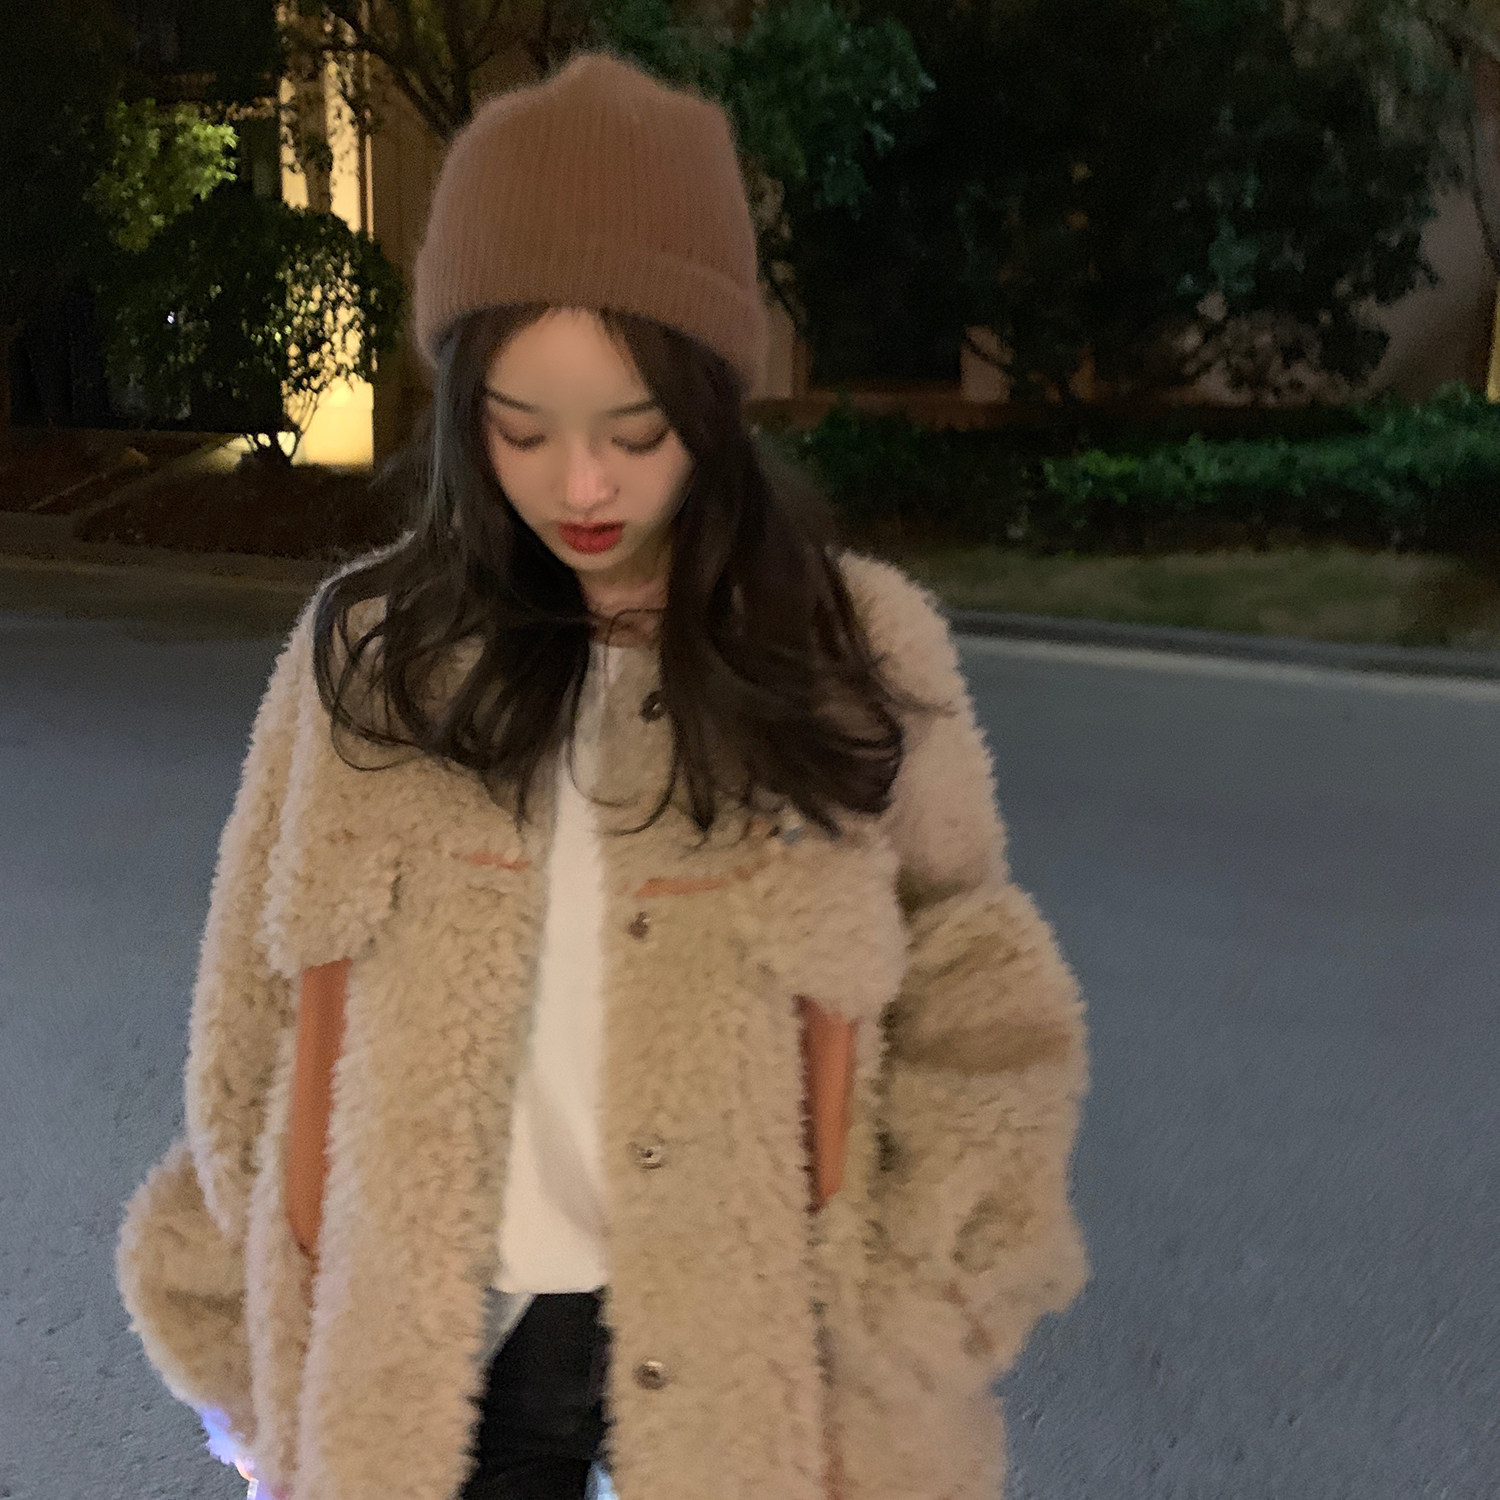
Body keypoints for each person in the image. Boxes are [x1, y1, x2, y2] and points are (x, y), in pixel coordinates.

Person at [114, 47, 1090, 1500]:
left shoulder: (848, 648)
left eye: (637, 431)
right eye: (524, 429)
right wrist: (251, 1334)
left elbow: (977, 991)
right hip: (436, 1354)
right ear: (465, 413)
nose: (582, 485)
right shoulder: (371, 662)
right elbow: (250, 1012)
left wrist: (925, 1298)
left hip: (752, 1348)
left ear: (713, 405)